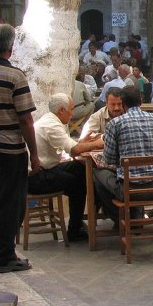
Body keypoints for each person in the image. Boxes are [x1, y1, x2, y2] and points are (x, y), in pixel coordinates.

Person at [0, 24, 39, 273]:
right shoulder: (15, 76)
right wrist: (35, 155)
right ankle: (6, 255)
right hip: (10, 150)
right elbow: (26, 120)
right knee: (10, 203)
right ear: (10, 46)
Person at [29, 94, 104, 241]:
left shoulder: (51, 120)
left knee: (80, 169)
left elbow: (71, 144)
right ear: (62, 110)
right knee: (79, 185)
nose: (72, 113)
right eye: (70, 109)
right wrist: (97, 144)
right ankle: (74, 230)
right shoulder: (51, 125)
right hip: (37, 177)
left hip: (48, 167)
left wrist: (83, 142)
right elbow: (74, 150)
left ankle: (91, 211)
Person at [93, 87, 153, 223]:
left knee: (97, 173)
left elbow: (108, 159)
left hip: (128, 191)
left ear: (123, 104)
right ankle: (135, 219)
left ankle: (121, 220)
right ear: (141, 102)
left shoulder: (115, 124)